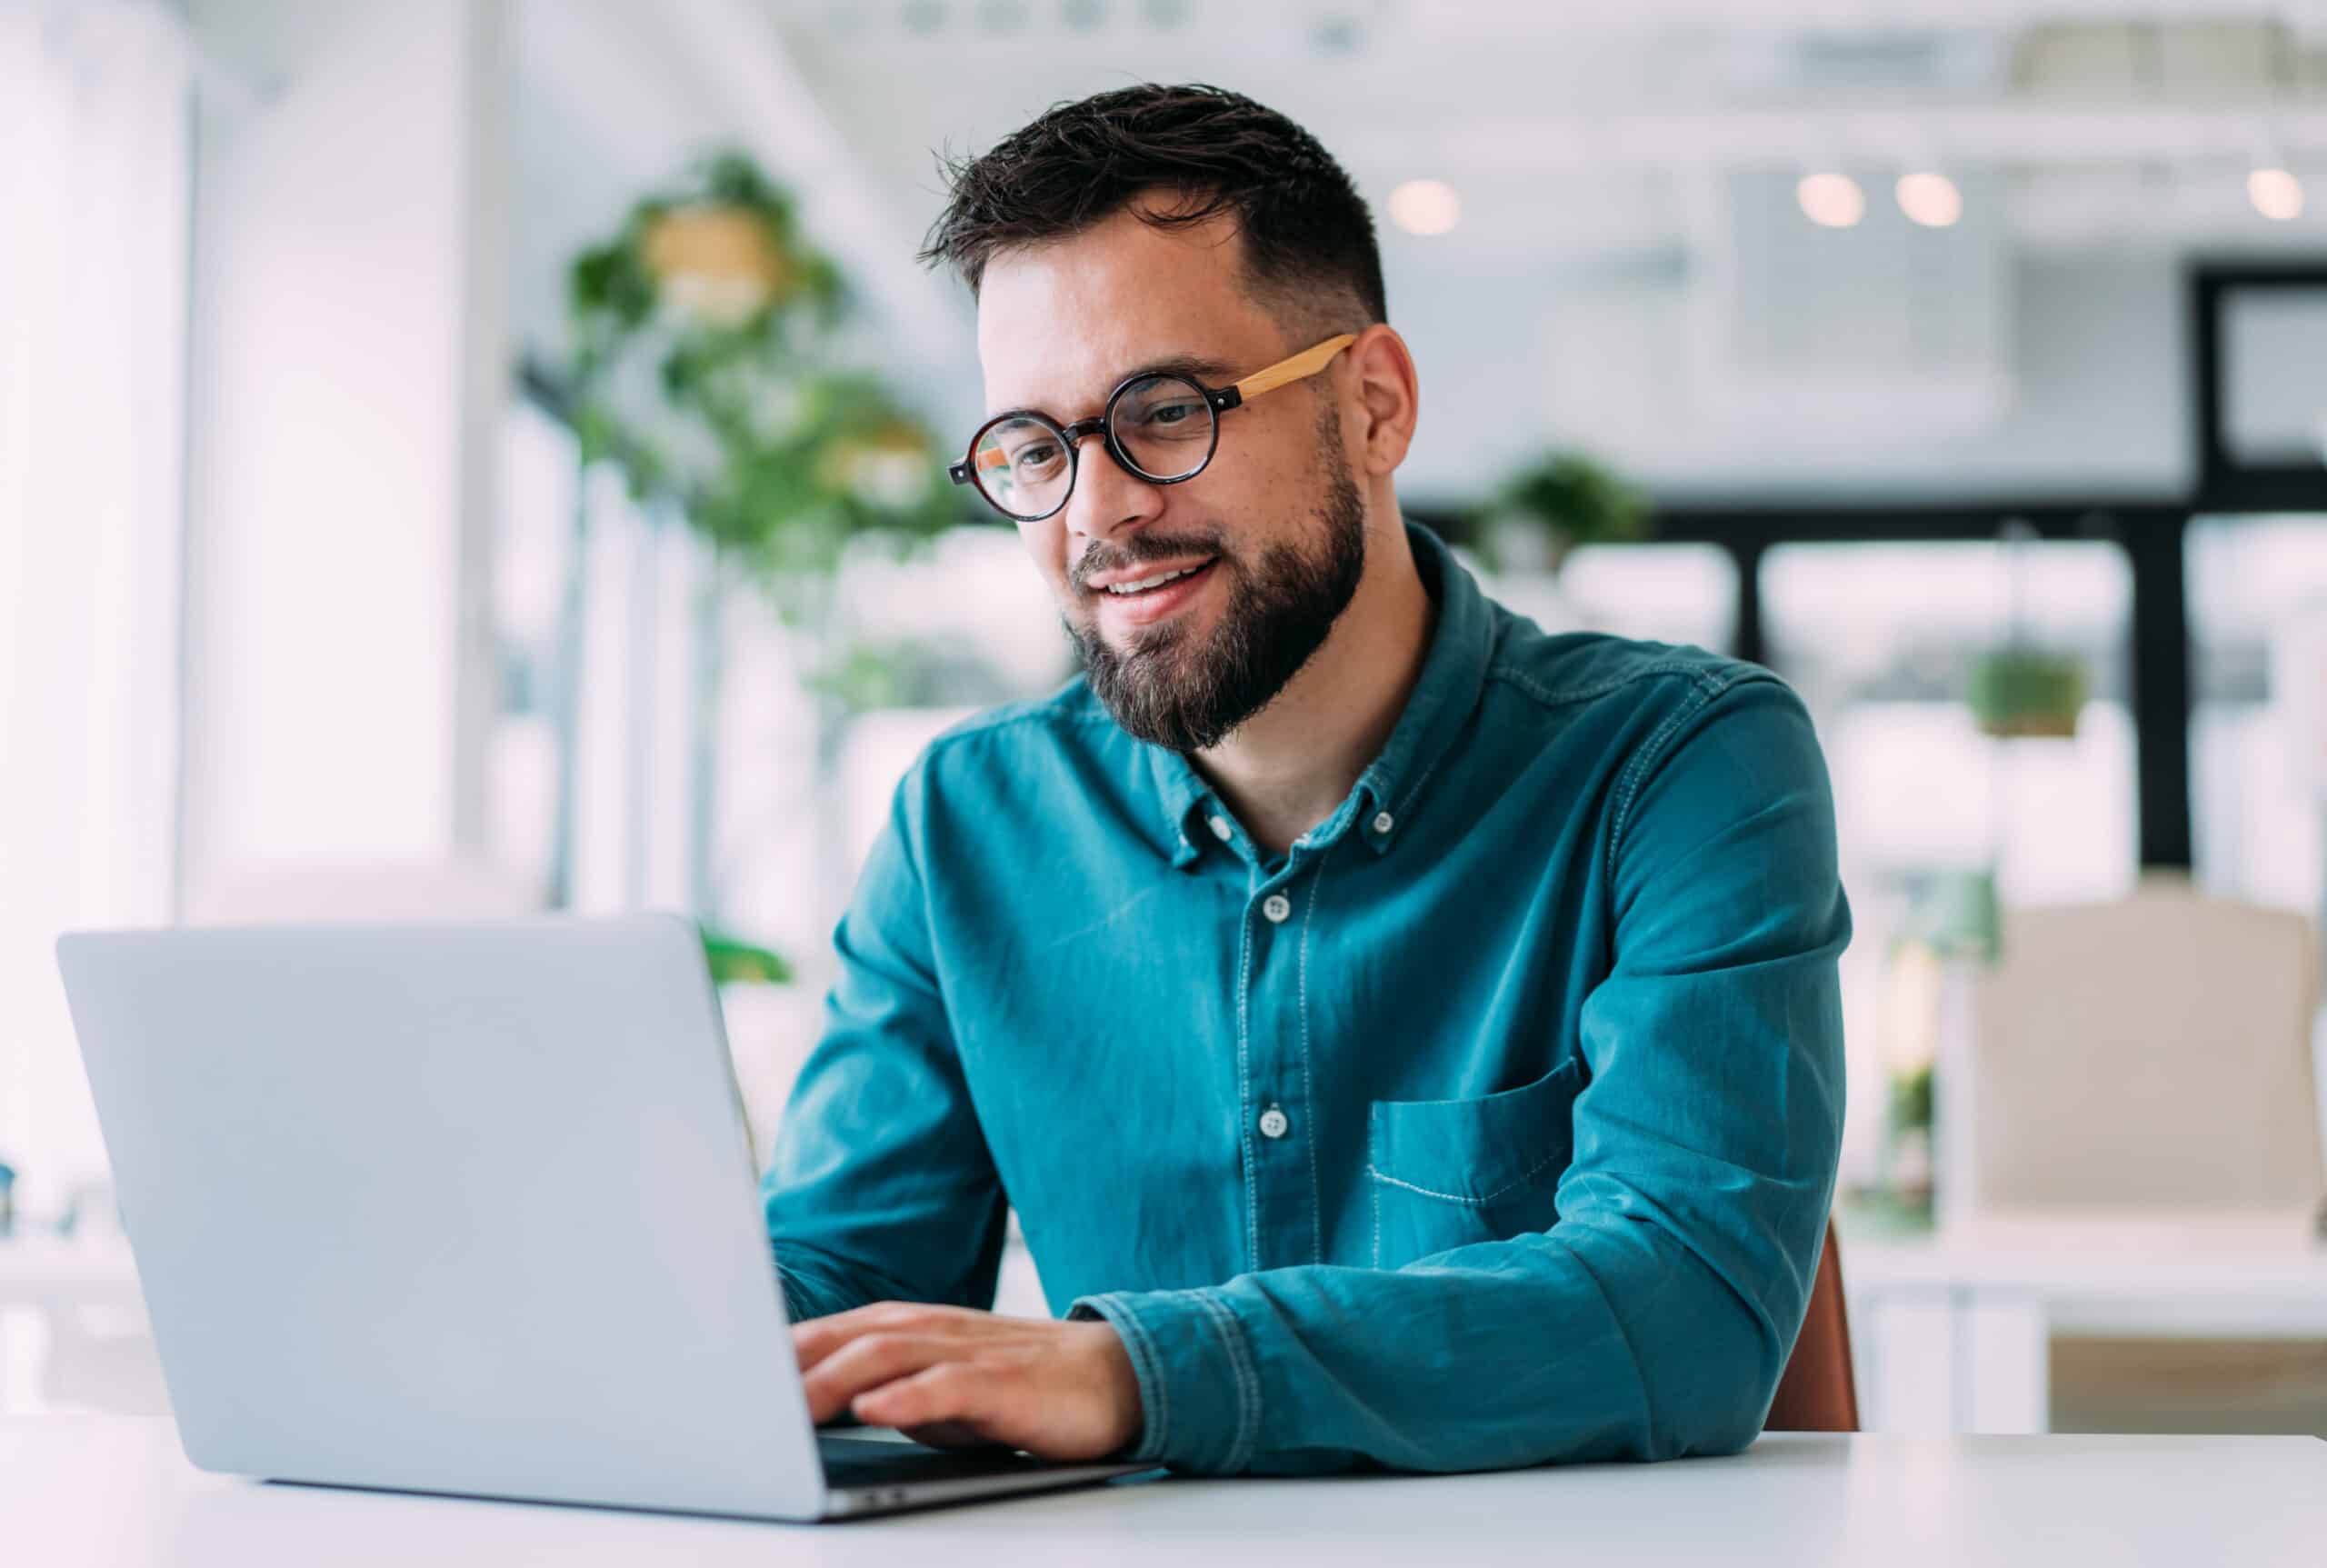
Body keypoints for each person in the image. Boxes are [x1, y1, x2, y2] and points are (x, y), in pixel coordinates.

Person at [765, 83, 1849, 1476]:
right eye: (1034, 449)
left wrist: (1141, 1374)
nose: (1097, 513)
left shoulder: (1681, 766)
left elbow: (1685, 1300)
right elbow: (840, 1280)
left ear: (1375, 404)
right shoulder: (962, 830)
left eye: (1163, 412)